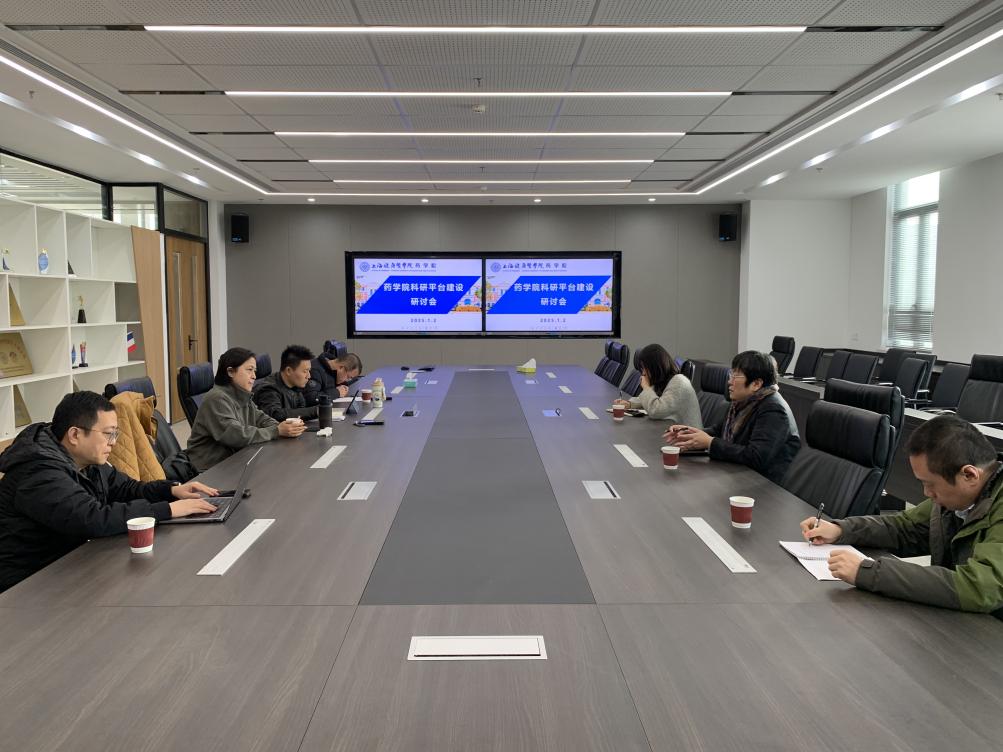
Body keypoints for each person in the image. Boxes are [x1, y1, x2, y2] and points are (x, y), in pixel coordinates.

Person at [0, 391, 219, 593]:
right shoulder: (39, 472)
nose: (113, 443)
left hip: (69, 565)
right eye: (108, 434)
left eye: (115, 434)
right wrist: (168, 510)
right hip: (25, 586)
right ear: (75, 435)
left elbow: (127, 489)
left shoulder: (86, 460)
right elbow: (92, 518)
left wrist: (172, 490)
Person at [799, 415, 1003, 618]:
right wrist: (841, 530)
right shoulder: (956, 501)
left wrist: (869, 572)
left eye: (930, 484)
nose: (927, 493)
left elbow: (981, 587)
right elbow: (905, 527)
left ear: (969, 475)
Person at [665, 350, 800, 483]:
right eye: (731, 374)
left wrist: (710, 442)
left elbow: (756, 457)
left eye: (736, 376)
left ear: (756, 384)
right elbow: (718, 430)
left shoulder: (774, 410)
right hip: (738, 476)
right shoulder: (744, 402)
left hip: (762, 487)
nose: (729, 381)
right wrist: (688, 433)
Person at [186, 347, 305, 473]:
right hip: (208, 470)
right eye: (249, 370)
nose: (254, 376)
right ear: (230, 372)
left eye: (255, 371)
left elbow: (261, 419)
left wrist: (284, 427)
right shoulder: (216, 398)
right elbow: (236, 435)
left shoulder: (242, 395)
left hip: (234, 461)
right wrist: (276, 431)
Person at [613, 344, 702, 426]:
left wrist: (646, 387)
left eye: (644, 368)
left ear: (654, 367)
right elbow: (651, 399)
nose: (643, 373)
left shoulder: (679, 382)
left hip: (689, 437)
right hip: (673, 433)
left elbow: (655, 410)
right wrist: (629, 404)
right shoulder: (663, 381)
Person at [252, 344, 318, 422]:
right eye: (305, 371)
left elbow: (301, 410)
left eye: (309, 371)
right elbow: (275, 414)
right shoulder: (268, 389)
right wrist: (317, 411)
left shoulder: (295, 385)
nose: (309, 376)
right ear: (288, 371)